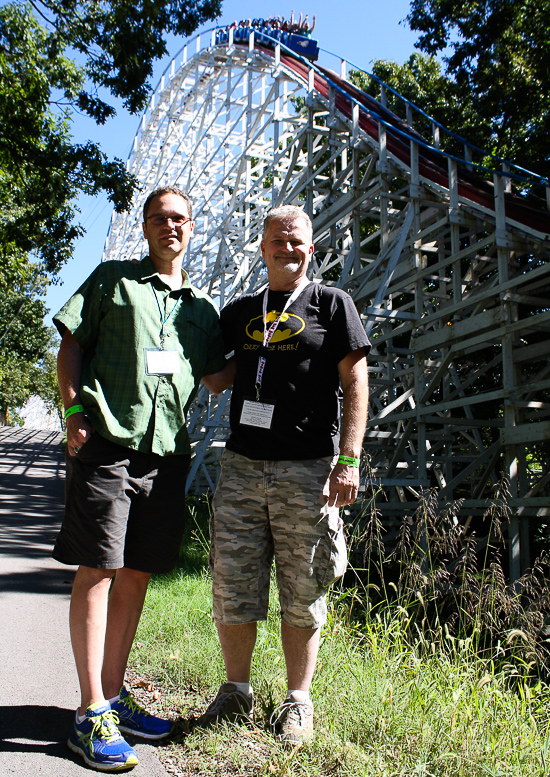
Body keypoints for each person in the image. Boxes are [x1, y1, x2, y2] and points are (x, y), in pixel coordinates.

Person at [53, 185, 227, 771]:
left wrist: (279, 342)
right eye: (159, 218)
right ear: (145, 227)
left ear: (192, 227)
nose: (169, 227)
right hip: (109, 442)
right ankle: (89, 713)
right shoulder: (111, 280)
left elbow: (221, 377)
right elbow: (71, 343)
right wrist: (73, 411)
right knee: (98, 569)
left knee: (136, 575)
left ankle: (115, 694)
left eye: (178, 218)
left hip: (167, 455)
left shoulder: (203, 311)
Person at [200, 206, 370, 743]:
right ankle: (236, 691)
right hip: (243, 465)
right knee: (233, 579)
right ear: (262, 246)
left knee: (304, 585)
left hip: (308, 469)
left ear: (310, 249)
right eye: (277, 239)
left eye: (296, 240)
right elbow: (218, 380)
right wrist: (180, 337)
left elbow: (356, 382)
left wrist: (349, 459)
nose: (286, 248)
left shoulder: (331, 304)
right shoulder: (242, 309)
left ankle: (299, 702)